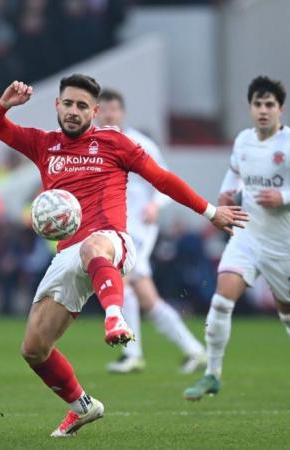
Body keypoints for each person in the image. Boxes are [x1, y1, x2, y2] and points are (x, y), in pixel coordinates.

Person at [0, 75, 247, 437]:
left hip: (112, 241)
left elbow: (163, 179)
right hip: (66, 254)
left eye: (82, 106)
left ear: (95, 111)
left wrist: (211, 212)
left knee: (94, 246)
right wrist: (6, 103)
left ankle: (115, 317)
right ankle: (83, 407)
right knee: (34, 349)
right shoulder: (44, 145)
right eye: (68, 104)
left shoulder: (114, 143)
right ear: (57, 106)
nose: (74, 112)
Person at [183, 76, 290, 407]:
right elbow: (235, 172)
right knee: (222, 299)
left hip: (284, 244)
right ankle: (212, 373)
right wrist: (227, 192)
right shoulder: (243, 141)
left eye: (270, 104)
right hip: (247, 236)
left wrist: (286, 196)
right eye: (258, 104)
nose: (263, 110)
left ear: (281, 109)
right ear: (250, 108)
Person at [95, 88, 206, 374]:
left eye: (113, 110)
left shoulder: (140, 143)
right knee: (147, 298)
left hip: (139, 230)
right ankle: (194, 350)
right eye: (103, 110)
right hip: (112, 230)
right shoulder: (92, 144)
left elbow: (166, 183)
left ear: (122, 112)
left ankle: (132, 354)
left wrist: (155, 205)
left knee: (125, 282)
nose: (108, 115)